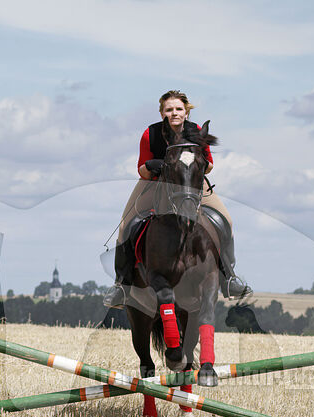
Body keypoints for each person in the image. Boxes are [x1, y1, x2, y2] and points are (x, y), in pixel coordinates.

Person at [104, 90, 252, 309]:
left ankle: (229, 278)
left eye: (178, 109)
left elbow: (210, 166)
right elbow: (142, 170)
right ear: (162, 112)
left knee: (226, 220)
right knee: (126, 224)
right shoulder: (150, 134)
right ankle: (121, 285)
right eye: (169, 109)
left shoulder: (197, 132)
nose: (174, 113)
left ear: (186, 112)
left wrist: (195, 163)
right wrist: (156, 165)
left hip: (191, 182)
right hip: (155, 182)